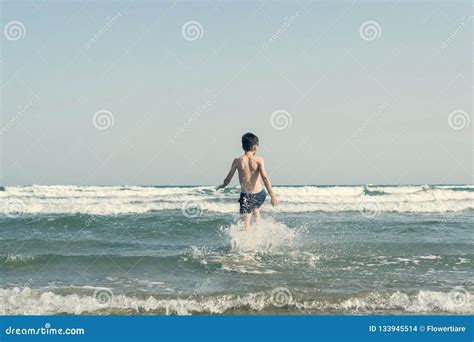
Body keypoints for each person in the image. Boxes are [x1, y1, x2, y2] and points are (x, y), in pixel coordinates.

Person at [216, 132, 278, 228]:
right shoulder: (259, 160)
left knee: (246, 222)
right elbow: (265, 178)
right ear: (255, 147)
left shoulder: (237, 161)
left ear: (242, 147)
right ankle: (259, 230)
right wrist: (272, 195)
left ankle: (247, 240)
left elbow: (228, 178)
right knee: (255, 208)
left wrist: (223, 185)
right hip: (259, 194)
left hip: (246, 195)